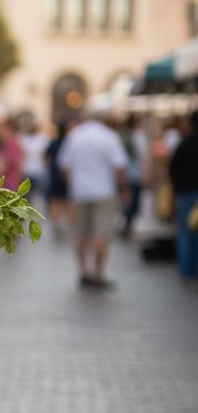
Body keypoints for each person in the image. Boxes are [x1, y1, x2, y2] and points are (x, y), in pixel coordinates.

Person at [58, 109, 129, 287]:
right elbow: (119, 167)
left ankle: (83, 271)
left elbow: (64, 166)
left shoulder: (74, 136)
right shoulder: (110, 137)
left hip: (79, 192)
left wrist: (73, 185)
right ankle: (98, 273)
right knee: (102, 233)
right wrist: (125, 189)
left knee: (80, 233)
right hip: (105, 191)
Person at [169, 110, 198, 279]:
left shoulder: (185, 143)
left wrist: (178, 188)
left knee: (186, 232)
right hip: (187, 192)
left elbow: (173, 168)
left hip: (186, 193)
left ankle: (187, 271)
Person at [17, 110, 49, 200]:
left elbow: (46, 157)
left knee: (38, 199)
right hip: (24, 173)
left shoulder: (43, 138)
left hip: (39, 173)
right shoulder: (19, 137)